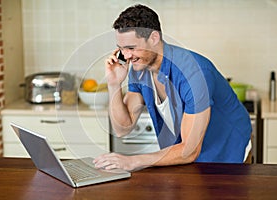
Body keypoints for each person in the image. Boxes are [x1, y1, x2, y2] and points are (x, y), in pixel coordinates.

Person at [93, 4, 252, 171]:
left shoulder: (195, 73)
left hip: (227, 148)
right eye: (121, 49)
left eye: (131, 48)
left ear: (154, 38)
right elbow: (122, 128)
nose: (126, 56)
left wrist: (132, 161)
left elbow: (189, 151)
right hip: (189, 154)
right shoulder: (139, 69)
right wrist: (114, 84)